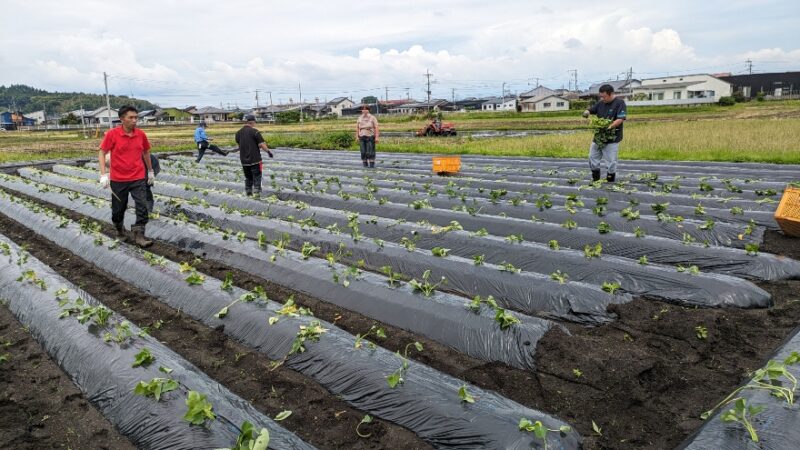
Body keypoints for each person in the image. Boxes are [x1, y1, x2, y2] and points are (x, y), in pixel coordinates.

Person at [98, 105, 155, 247]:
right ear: (122, 119)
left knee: (142, 206)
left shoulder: (140, 134)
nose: (135, 120)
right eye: (131, 117)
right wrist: (103, 174)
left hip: (137, 177)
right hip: (118, 179)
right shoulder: (112, 134)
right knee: (118, 210)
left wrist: (150, 171)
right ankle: (119, 230)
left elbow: (146, 152)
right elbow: (102, 152)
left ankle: (139, 234)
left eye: (136, 117)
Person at [583, 84, 627, 182]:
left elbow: (620, 119)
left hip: (612, 138)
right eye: (601, 96)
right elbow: (591, 110)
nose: (602, 98)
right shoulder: (600, 103)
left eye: (604, 96)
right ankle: (596, 179)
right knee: (592, 157)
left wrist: (609, 126)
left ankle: (610, 181)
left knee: (611, 161)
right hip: (598, 137)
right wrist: (586, 112)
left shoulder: (620, 103)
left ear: (611, 94)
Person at [235, 114, 273, 197]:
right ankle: (257, 191)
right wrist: (268, 152)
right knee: (257, 175)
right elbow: (262, 144)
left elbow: (239, 145)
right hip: (255, 159)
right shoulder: (255, 132)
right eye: (255, 122)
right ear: (252, 122)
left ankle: (248, 190)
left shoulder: (238, 133)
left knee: (248, 177)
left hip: (244, 160)